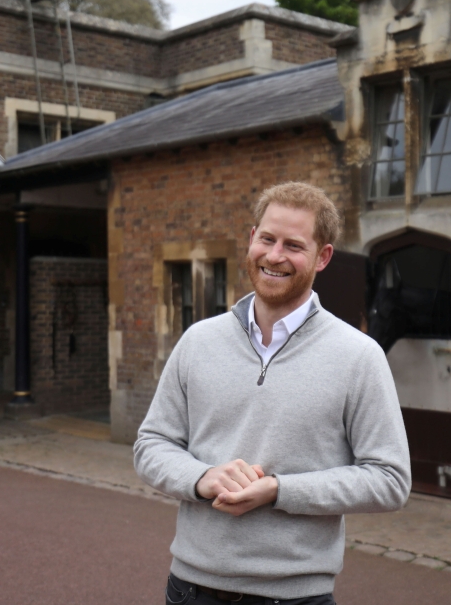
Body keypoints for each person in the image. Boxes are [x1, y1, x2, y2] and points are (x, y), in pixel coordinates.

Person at [134, 181, 411, 605]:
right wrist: (202, 477)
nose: (275, 256)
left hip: (295, 596)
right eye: (267, 239)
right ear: (251, 239)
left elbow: (390, 480)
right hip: (189, 588)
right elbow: (152, 445)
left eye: (294, 246)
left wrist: (280, 490)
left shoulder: (358, 356)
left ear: (323, 257)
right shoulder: (198, 341)